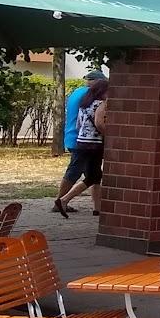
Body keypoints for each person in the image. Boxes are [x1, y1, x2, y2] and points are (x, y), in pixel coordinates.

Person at [55, 77, 108, 218]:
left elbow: (78, 125)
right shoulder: (101, 104)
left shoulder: (84, 104)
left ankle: (97, 209)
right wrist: (108, 135)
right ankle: (64, 200)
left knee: (94, 175)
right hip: (94, 144)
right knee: (94, 176)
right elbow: (100, 123)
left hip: (81, 142)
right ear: (103, 91)